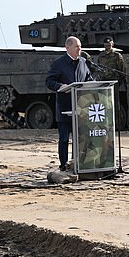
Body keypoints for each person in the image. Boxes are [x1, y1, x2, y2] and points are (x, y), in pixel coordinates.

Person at [46, 36, 93, 171]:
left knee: (80, 139)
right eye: (77, 46)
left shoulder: (84, 62)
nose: (80, 49)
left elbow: (89, 79)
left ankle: (78, 162)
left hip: (81, 108)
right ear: (68, 47)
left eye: (80, 46)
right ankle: (63, 164)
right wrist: (60, 86)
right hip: (65, 107)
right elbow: (49, 81)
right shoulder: (59, 63)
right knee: (64, 139)